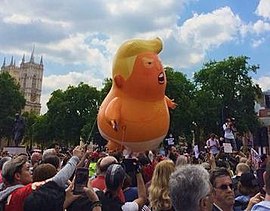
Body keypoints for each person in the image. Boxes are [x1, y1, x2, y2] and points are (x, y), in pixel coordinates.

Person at [0, 146, 83, 211]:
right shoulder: (22, 193)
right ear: (17, 176)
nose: (31, 172)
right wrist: (75, 158)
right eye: (27, 169)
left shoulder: (6, 194)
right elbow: (57, 181)